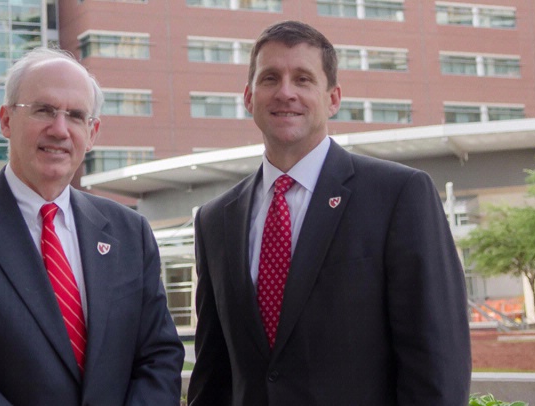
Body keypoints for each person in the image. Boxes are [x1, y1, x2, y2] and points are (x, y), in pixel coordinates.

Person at [187, 21, 471, 405]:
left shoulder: (399, 195)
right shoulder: (214, 221)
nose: (285, 92)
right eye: (270, 78)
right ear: (249, 98)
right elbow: (213, 372)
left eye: (303, 79)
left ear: (333, 98)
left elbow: (437, 359)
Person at [0, 47, 184, 405]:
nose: (60, 129)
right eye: (44, 110)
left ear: (92, 132)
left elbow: (159, 357)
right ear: (5, 120)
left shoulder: (130, 233)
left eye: (76, 116)